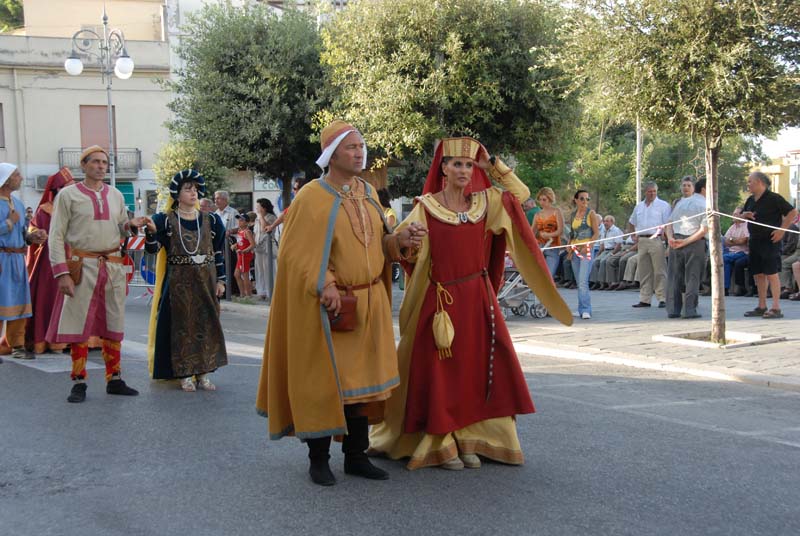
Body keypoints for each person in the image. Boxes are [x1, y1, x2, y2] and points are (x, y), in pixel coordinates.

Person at [368, 136, 572, 471]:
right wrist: (409, 244)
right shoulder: (426, 206)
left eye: (468, 164)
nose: (464, 170)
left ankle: (474, 438)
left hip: (478, 299)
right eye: (456, 164)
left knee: (476, 370)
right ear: (443, 169)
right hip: (441, 302)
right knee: (442, 373)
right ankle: (443, 441)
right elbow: (400, 247)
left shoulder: (485, 203)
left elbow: (521, 197)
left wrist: (491, 164)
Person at [255, 120, 415, 486]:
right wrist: (324, 282)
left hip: (370, 301)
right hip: (332, 305)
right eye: (352, 147)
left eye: (362, 147)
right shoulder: (312, 195)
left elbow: (382, 246)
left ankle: (356, 456)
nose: (360, 153)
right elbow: (297, 253)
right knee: (327, 383)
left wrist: (402, 239)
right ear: (332, 154)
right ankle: (319, 459)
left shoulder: (370, 193)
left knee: (362, 385)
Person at [47, 146, 147, 403]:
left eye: (105, 163)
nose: (102, 166)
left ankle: (114, 378)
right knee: (78, 323)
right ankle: (79, 380)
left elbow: (122, 229)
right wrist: (62, 273)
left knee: (114, 322)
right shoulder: (68, 196)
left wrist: (130, 225)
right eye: (96, 162)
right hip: (83, 265)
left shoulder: (115, 195)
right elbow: (56, 236)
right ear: (84, 165)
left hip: (112, 265)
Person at [143, 170, 228, 392]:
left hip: (206, 282)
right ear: (177, 194)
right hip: (178, 284)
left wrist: (221, 280)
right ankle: (184, 372)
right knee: (181, 327)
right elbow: (152, 250)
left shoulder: (211, 220)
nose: (193, 193)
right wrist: (150, 233)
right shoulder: (165, 220)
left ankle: (204, 372)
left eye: (195, 189)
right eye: (187, 189)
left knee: (207, 325)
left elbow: (218, 252)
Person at [24, 168, 75, 354]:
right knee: (53, 298)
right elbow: (32, 229)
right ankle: (51, 340)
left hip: (77, 259)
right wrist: (36, 234)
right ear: (58, 190)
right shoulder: (45, 211)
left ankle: (78, 339)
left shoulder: (79, 206)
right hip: (51, 262)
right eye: (68, 187)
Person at [0, 164, 47, 362]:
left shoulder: (18, 204)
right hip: (2, 259)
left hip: (18, 260)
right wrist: (8, 223)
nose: (20, 178)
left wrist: (33, 236)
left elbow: (23, 232)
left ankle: (17, 346)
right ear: (6, 179)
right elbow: (8, 227)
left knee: (19, 303)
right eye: (17, 175)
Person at [741, 171, 798, 319]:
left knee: (771, 273)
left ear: (760, 182)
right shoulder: (750, 200)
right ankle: (761, 305)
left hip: (770, 240)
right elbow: (739, 216)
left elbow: (792, 212)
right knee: (758, 274)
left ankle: (776, 307)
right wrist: (744, 215)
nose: (748, 184)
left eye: (750, 181)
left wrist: (781, 230)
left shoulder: (774, 198)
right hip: (754, 240)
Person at [664, 177, 707, 319]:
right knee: (685, 277)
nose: (686, 188)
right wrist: (673, 238)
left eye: (688, 185)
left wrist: (678, 239)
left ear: (694, 188)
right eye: (684, 185)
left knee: (683, 277)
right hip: (684, 241)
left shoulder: (691, 203)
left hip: (685, 240)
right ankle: (682, 309)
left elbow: (703, 228)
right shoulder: (681, 203)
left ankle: (681, 309)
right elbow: (669, 223)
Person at [628, 181, 671, 308]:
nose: (652, 194)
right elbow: (631, 221)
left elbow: (668, 224)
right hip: (642, 240)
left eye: (654, 191)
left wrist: (667, 240)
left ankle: (662, 297)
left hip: (656, 240)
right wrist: (633, 234)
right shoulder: (639, 207)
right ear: (645, 192)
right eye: (649, 191)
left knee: (659, 270)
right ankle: (645, 298)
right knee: (644, 270)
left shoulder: (663, 205)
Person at [566, 189, 599, 319]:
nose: (585, 201)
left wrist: (588, 246)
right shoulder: (573, 215)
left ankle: (586, 309)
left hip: (586, 251)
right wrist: (569, 246)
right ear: (576, 200)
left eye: (587, 199)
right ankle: (581, 308)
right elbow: (572, 233)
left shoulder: (591, 214)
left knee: (583, 280)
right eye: (582, 198)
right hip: (575, 249)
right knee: (578, 281)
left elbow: (596, 233)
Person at [532, 187, 563, 277]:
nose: (542, 202)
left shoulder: (556, 212)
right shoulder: (537, 214)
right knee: (538, 276)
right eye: (540, 200)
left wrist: (548, 235)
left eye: (544, 199)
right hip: (539, 246)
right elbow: (531, 231)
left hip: (552, 246)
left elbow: (560, 230)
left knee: (549, 276)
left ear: (550, 199)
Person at [590, 215, 623, 290]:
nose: (605, 223)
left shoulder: (616, 230)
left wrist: (612, 253)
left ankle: (608, 283)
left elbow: (618, 245)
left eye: (607, 221)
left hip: (613, 250)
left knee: (604, 261)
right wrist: (598, 254)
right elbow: (602, 244)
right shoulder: (604, 231)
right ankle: (596, 282)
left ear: (612, 222)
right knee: (595, 261)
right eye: (604, 221)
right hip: (605, 250)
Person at [254, 198, 278, 301]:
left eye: (258, 207)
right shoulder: (257, 218)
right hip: (258, 247)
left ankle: (270, 292)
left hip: (268, 247)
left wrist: (261, 217)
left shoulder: (271, 217)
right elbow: (256, 232)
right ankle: (261, 291)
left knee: (269, 269)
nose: (257, 209)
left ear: (264, 208)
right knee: (259, 270)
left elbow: (265, 228)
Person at [722, 207, 750, 296]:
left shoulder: (747, 225)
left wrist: (732, 241)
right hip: (732, 252)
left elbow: (744, 241)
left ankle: (725, 287)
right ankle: (725, 288)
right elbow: (726, 242)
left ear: (742, 216)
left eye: (736, 214)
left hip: (743, 252)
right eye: (733, 214)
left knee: (723, 258)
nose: (733, 216)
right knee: (725, 261)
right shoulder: (732, 227)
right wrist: (735, 240)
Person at [232, 211, 255, 298]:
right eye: (239, 220)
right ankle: (242, 294)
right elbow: (241, 242)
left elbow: (253, 244)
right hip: (240, 255)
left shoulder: (247, 231)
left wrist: (244, 250)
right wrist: (235, 245)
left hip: (245, 255)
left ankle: (248, 295)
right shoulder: (240, 231)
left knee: (245, 275)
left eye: (241, 220)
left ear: (246, 222)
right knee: (237, 274)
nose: (239, 221)